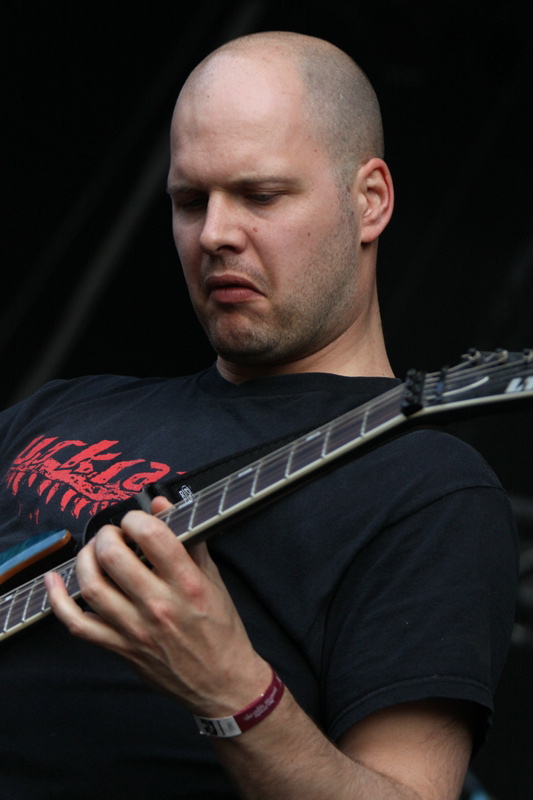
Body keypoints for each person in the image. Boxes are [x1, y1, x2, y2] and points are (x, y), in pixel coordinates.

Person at [0, 31, 517, 800]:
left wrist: (232, 689)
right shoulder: (65, 404)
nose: (214, 234)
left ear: (368, 200)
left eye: (260, 196)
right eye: (188, 201)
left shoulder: (428, 490)